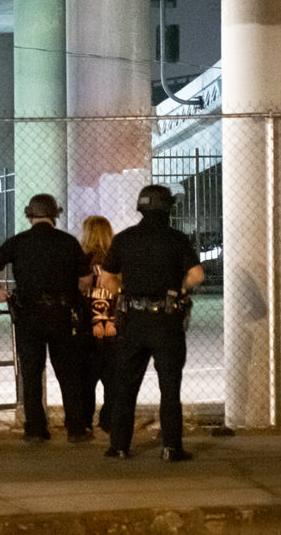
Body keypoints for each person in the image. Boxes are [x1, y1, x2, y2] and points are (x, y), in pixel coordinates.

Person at [104, 184, 204, 462]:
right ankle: (171, 447)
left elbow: (107, 277)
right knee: (169, 387)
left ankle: (119, 447)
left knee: (125, 386)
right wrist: (180, 288)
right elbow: (197, 275)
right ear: (167, 208)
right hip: (166, 322)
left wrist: (122, 294)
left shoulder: (124, 238)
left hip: (133, 320)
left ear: (141, 208)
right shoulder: (176, 239)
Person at [0, 193, 93, 443]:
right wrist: (76, 292)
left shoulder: (18, 242)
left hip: (28, 315)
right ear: (55, 215)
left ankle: (35, 429)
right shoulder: (68, 242)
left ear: (29, 215)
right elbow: (86, 280)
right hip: (60, 314)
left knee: (32, 373)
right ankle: (76, 428)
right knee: (68, 373)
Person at [79, 215, 120, 436]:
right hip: (113, 327)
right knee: (113, 378)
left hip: (88, 326)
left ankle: (85, 421)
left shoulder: (82, 260)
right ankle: (110, 419)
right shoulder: (115, 261)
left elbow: (86, 292)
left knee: (86, 379)